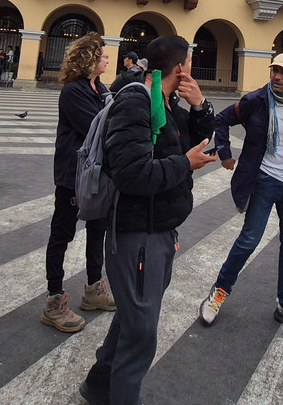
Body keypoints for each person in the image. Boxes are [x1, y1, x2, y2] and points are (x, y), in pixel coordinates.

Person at [79, 35, 217, 405]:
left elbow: (197, 140)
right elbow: (132, 174)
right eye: (190, 60)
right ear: (179, 67)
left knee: (132, 317)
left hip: (157, 228)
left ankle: (98, 384)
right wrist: (185, 164)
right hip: (136, 232)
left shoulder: (165, 101)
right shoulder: (137, 102)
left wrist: (200, 104)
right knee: (141, 332)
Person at [198, 53, 283, 335]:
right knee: (248, 241)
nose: (277, 76)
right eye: (274, 70)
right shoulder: (254, 100)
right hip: (265, 179)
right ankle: (218, 292)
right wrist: (225, 153)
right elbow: (221, 120)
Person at [41, 33, 116, 333]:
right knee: (62, 233)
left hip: (96, 174)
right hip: (73, 177)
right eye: (104, 56)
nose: (108, 59)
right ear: (90, 60)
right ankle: (53, 299)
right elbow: (97, 129)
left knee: (97, 230)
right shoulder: (73, 92)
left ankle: (93, 290)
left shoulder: (100, 89)